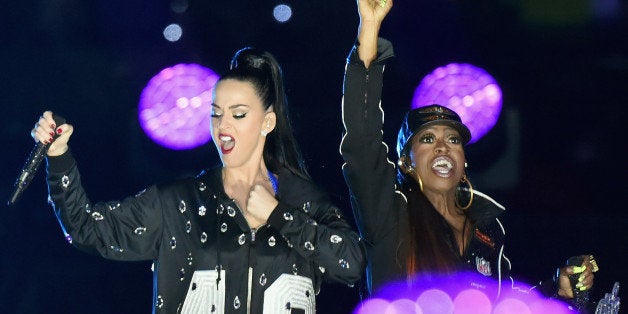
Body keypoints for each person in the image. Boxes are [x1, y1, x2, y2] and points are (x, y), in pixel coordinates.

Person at [33, 47, 364, 313]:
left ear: (267, 122)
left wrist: (279, 216)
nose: (223, 126)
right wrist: (59, 156)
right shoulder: (178, 202)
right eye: (216, 113)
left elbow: (352, 263)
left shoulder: (302, 201)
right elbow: (86, 229)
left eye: (238, 114)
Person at [340, 0, 598, 309]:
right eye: (427, 138)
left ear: (464, 161)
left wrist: (558, 289)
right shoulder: (389, 213)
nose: (442, 146)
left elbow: (500, 303)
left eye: (453, 139)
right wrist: (369, 29)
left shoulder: (488, 229)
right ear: (406, 162)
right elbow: (361, 139)